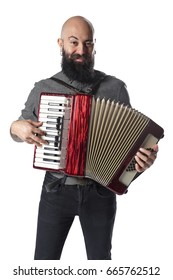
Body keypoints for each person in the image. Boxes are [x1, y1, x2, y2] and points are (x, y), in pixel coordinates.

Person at [10, 16, 158, 260]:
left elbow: (131, 146)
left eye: (87, 43)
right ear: (60, 44)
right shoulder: (44, 88)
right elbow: (19, 130)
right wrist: (16, 127)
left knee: (100, 262)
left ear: (94, 45)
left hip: (101, 194)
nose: (81, 50)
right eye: (73, 42)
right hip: (55, 191)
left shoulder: (115, 88)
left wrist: (141, 163)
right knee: (43, 261)